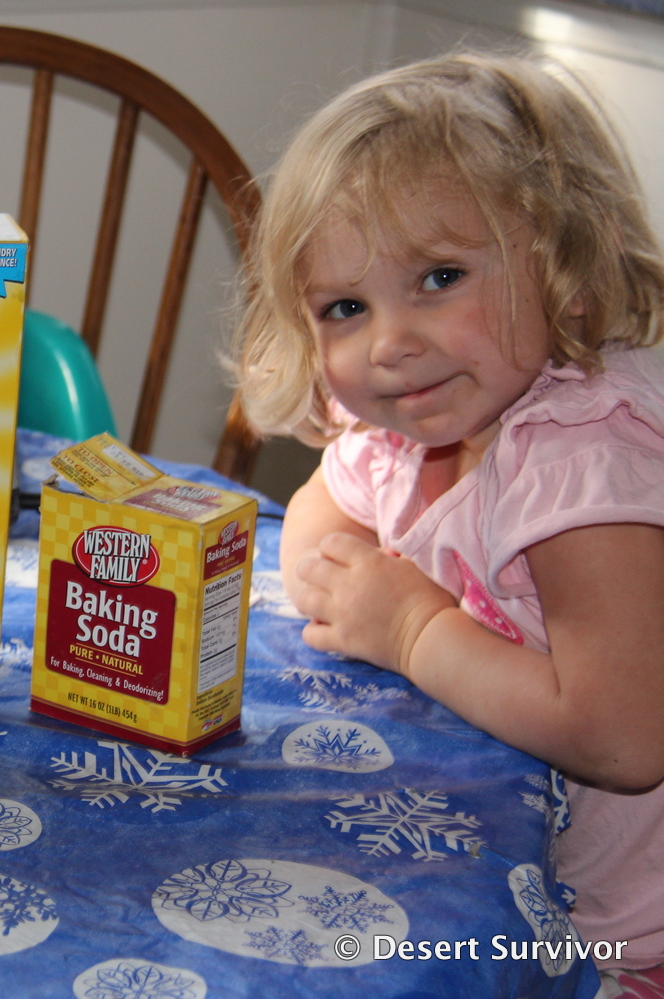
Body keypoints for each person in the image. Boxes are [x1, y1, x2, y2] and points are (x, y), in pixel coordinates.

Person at [234, 51, 664, 997]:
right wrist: (359, 589)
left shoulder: (579, 454)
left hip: (635, 943)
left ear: (566, 267)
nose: (390, 342)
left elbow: (626, 737)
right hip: (532, 886)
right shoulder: (415, 424)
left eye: (439, 277)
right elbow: (315, 526)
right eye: (346, 306)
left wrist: (413, 630)